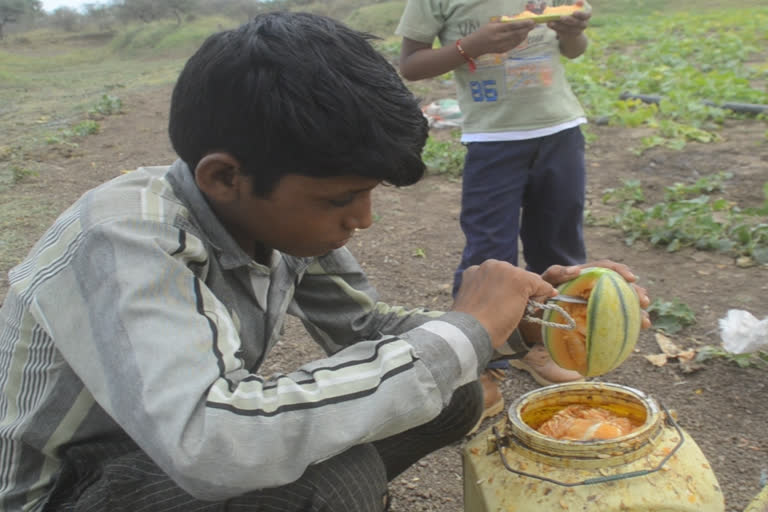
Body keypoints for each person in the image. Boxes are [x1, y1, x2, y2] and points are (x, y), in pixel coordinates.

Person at [0, 11, 648, 512]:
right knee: (335, 483)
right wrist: (460, 332)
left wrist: (521, 324)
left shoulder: (275, 218)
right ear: (225, 177)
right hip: (68, 485)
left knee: (453, 391)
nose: (362, 219)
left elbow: (363, 330)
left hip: (165, 446)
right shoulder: (124, 236)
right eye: (341, 198)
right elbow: (209, 439)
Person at [395, 1, 594, 423]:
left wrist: (573, 29)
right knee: (490, 254)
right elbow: (411, 65)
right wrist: (473, 45)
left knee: (559, 247)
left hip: (560, 131)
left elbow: (574, 49)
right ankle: (475, 362)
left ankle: (544, 344)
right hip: (492, 140)